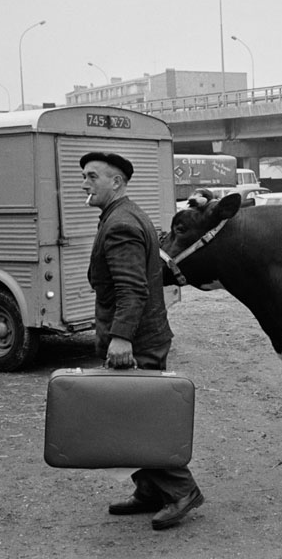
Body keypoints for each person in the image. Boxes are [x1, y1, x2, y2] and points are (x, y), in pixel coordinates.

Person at [80, 151, 205, 531]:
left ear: (115, 183)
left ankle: (182, 490)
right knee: (135, 416)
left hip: (137, 339)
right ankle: (150, 489)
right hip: (146, 333)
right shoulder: (127, 213)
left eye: (92, 176)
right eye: (84, 176)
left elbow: (132, 289)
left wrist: (121, 339)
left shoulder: (120, 224)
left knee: (137, 422)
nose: (84, 183)